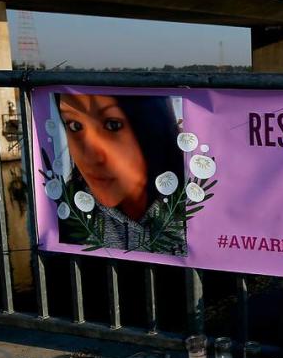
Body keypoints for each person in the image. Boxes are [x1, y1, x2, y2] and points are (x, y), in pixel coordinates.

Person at [56, 93, 186, 255]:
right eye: (75, 125)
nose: (90, 157)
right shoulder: (68, 212)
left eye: (113, 125)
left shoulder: (196, 206)